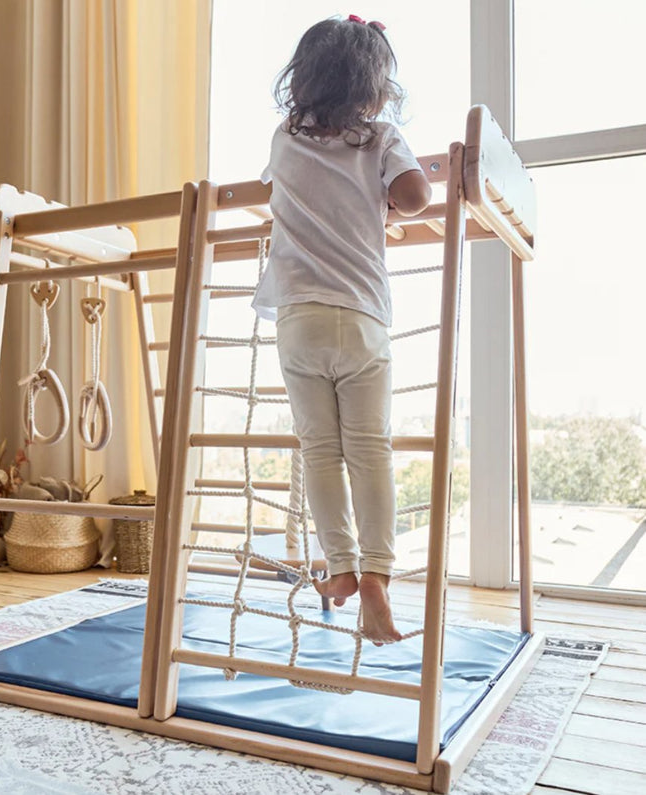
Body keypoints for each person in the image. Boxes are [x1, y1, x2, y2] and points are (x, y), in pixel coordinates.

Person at [253, 16, 431, 644]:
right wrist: (387, 199)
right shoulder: (381, 138)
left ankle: (343, 567)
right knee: (369, 450)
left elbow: (283, 190)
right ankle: (378, 576)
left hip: (299, 321)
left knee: (319, 453)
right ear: (374, 89)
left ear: (302, 82)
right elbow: (416, 198)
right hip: (360, 319)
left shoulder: (285, 138)